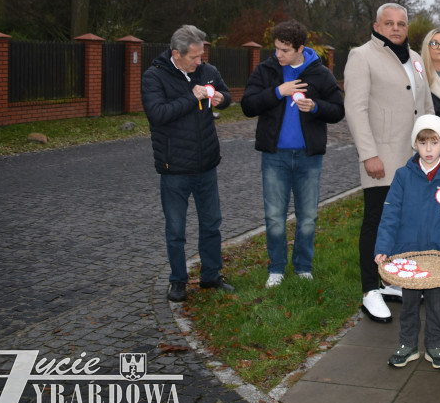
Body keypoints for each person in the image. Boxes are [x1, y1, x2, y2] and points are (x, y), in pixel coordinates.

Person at [344, 3, 435, 323]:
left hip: (412, 160)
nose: (396, 28)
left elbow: (425, 107)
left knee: (401, 223)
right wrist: (368, 154)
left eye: (401, 23)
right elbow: (355, 110)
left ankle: (389, 280)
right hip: (381, 158)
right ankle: (370, 290)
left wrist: (432, 149)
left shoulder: (415, 59)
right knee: (376, 222)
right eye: (389, 23)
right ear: (377, 26)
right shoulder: (362, 56)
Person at [241, 20, 345, 288]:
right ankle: (276, 268)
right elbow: (248, 105)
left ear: (300, 48)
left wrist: (316, 107)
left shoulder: (320, 74)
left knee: (308, 217)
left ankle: (302, 267)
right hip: (275, 157)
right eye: (276, 49)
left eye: (284, 50)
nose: (278, 55)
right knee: (274, 217)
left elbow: (338, 110)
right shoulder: (266, 70)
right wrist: (278, 92)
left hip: (309, 157)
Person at [142, 24, 236, 302]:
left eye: (201, 55)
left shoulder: (209, 71)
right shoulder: (154, 77)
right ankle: (178, 281)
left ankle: (211, 277)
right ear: (176, 54)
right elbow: (157, 114)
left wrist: (221, 100)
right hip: (174, 168)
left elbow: (227, 97)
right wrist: (190, 96)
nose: (200, 62)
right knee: (175, 229)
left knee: (211, 224)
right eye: (194, 57)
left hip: (206, 163)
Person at [375, 115, 440, 369]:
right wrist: (383, 248)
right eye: (423, 142)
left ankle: (435, 344)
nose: (428, 149)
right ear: (415, 144)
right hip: (409, 256)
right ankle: (407, 344)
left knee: (437, 305)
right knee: (409, 305)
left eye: (434, 143)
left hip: (439, 257)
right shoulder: (403, 176)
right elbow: (390, 214)